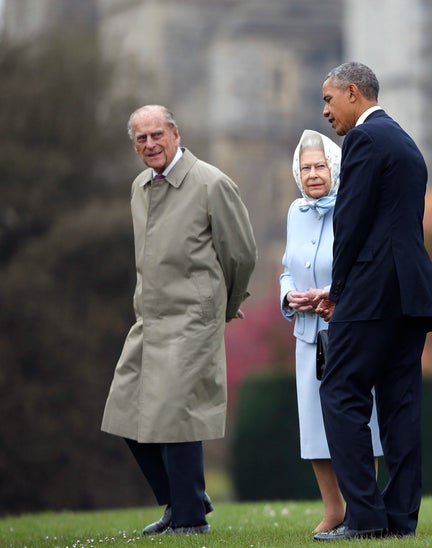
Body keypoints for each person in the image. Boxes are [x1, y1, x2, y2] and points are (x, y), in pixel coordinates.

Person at [101, 105, 257, 535]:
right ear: (134, 144)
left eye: (157, 135)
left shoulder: (212, 183)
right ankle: (184, 499)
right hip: (148, 320)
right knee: (125, 411)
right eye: (141, 139)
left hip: (193, 318)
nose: (150, 144)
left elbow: (241, 253)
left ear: (174, 133)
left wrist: (224, 304)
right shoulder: (139, 186)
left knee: (178, 415)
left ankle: (189, 522)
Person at [312, 62, 432, 541]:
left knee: (340, 391)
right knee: (400, 404)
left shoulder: (364, 141)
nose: (326, 110)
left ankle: (365, 518)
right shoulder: (405, 140)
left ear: (353, 93)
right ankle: (400, 520)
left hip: (372, 292)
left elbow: (350, 224)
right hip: (411, 294)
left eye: (329, 100)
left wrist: (340, 290)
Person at [279, 129, 383, 533]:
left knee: (360, 424)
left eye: (320, 165)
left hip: (347, 331)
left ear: (335, 168)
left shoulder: (351, 207)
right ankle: (333, 510)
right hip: (307, 335)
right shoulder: (294, 212)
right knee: (314, 429)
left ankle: (365, 506)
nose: (313, 174)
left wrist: (331, 292)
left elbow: (361, 266)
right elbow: (287, 267)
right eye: (306, 168)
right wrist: (289, 298)